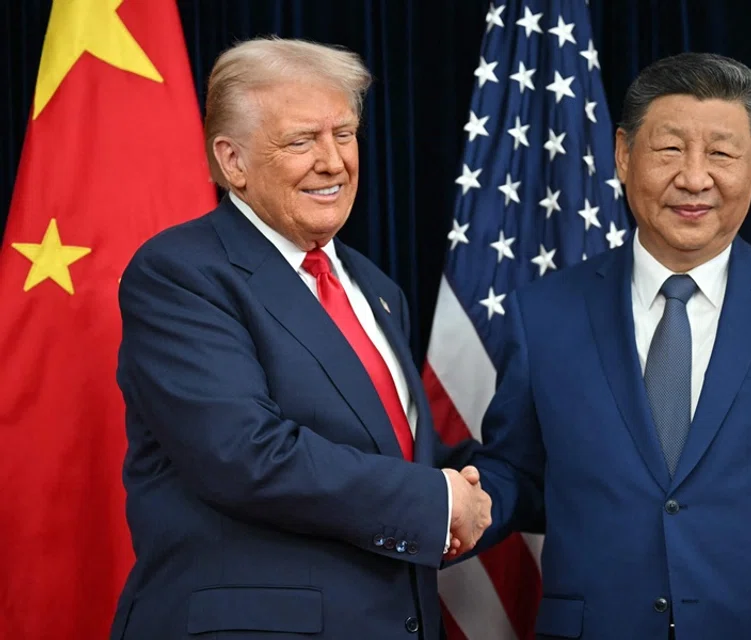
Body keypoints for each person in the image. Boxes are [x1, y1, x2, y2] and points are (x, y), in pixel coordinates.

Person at [463, 52, 751, 639]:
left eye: (723, 154)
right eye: (670, 149)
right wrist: (448, 506)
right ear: (624, 156)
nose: (696, 178)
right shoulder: (544, 314)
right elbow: (519, 475)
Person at [109, 37, 490, 640]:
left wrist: (492, 484)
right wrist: (434, 502)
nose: (334, 161)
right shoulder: (180, 273)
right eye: (301, 140)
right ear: (232, 161)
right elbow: (244, 454)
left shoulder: (376, 287)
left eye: (344, 133)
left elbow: (396, 456)